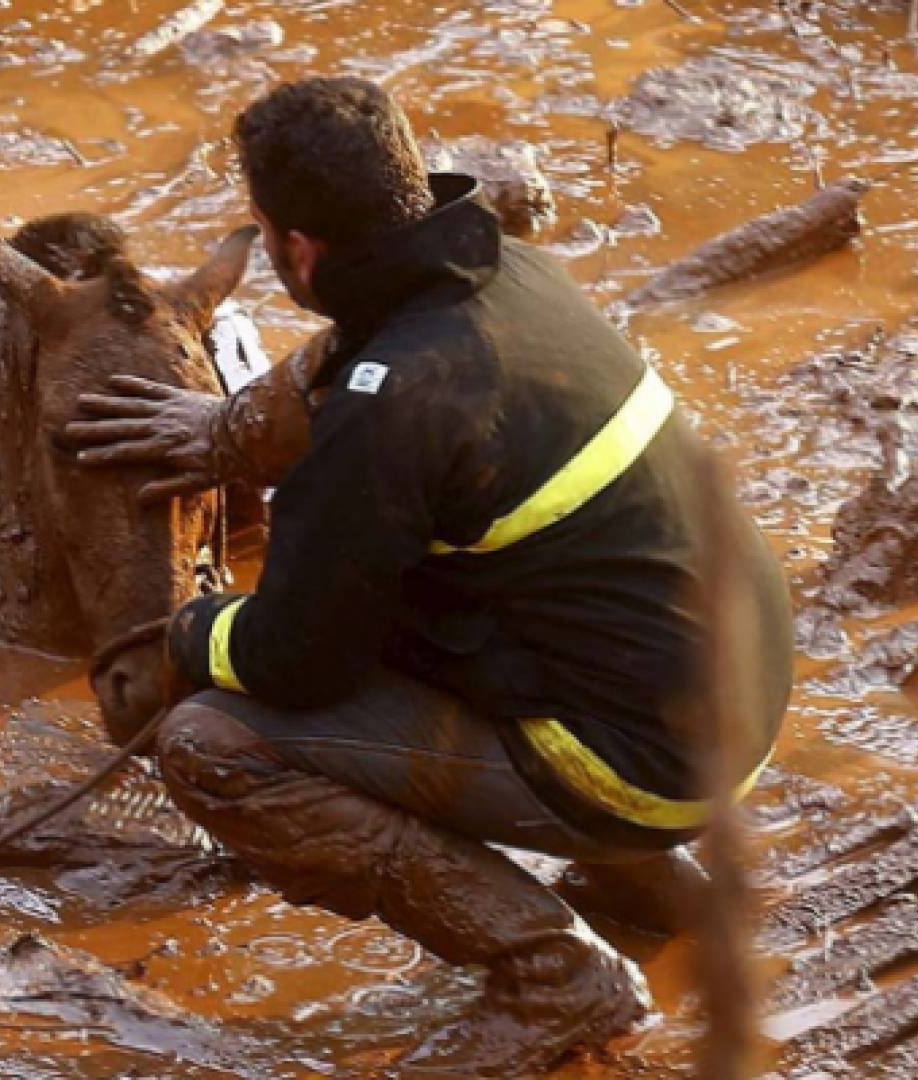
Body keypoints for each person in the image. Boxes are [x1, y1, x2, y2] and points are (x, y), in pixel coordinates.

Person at [64, 77, 793, 1076]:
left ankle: (551, 971)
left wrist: (187, 634)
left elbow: (295, 660)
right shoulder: (507, 278)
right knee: (494, 594)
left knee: (213, 741)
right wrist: (226, 432)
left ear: (296, 249)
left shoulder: (392, 405)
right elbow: (339, 367)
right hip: (731, 704)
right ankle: (658, 889)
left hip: (635, 764)